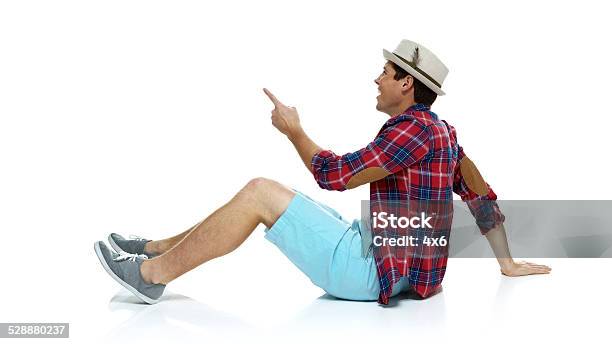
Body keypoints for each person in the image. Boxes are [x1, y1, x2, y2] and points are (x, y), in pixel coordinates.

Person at [94, 39, 551, 305]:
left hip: (374, 272)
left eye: (386, 72)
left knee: (259, 193)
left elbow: (334, 175)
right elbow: (479, 192)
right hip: (398, 261)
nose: (377, 78)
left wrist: (294, 131)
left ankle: (149, 277)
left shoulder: (410, 131)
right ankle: (151, 249)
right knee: (271, 193)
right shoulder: (443, 132)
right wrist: (505, 262)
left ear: (407, 83)